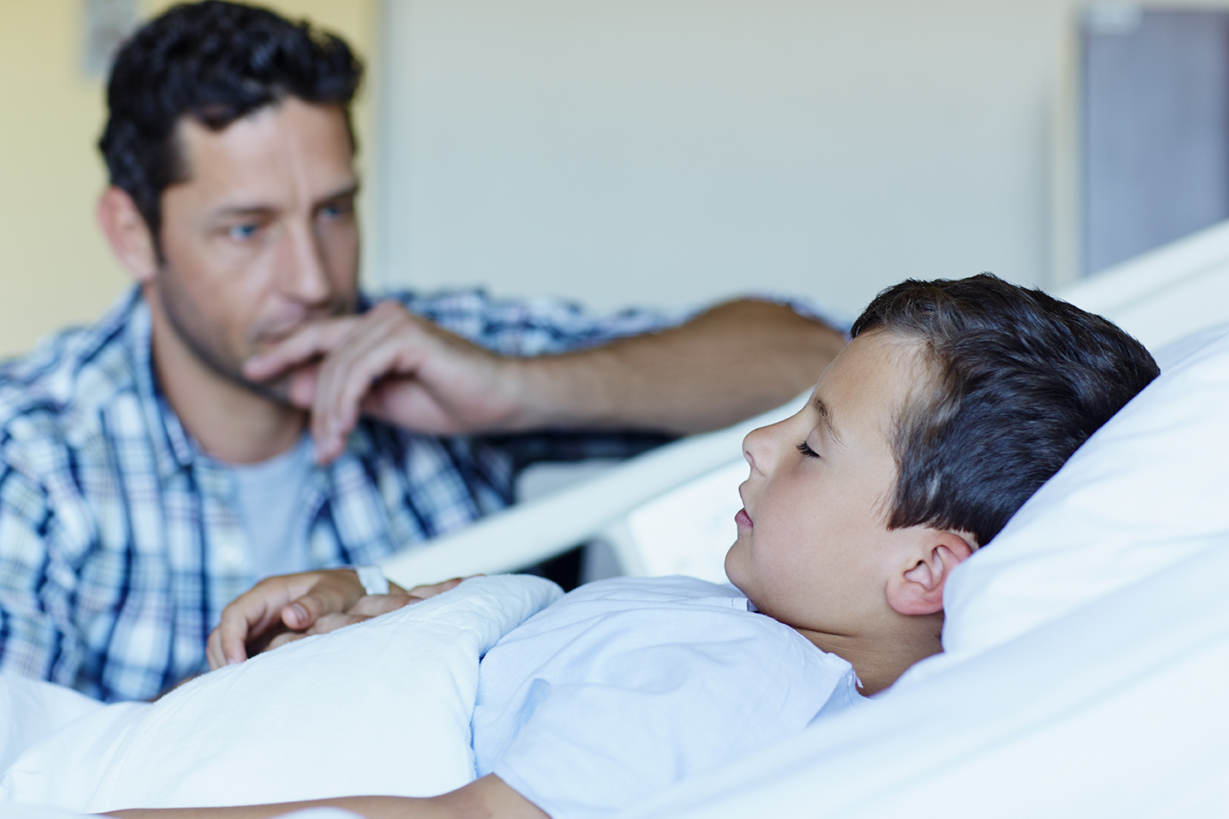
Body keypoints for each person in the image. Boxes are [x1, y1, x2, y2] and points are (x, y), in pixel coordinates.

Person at [0, 1, 845, 702]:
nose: (310, 277)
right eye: (247, 229)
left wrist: (516, 391)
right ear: (131, 234)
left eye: (333, 211)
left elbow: (823, 364)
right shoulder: (31, 447)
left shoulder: (430, 348)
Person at [109, 274, 1158, 819]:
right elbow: (527, 643)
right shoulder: (722, 620)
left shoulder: (735, 682)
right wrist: (369, 597)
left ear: (925, 569)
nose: (755, 443)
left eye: (810, 446)